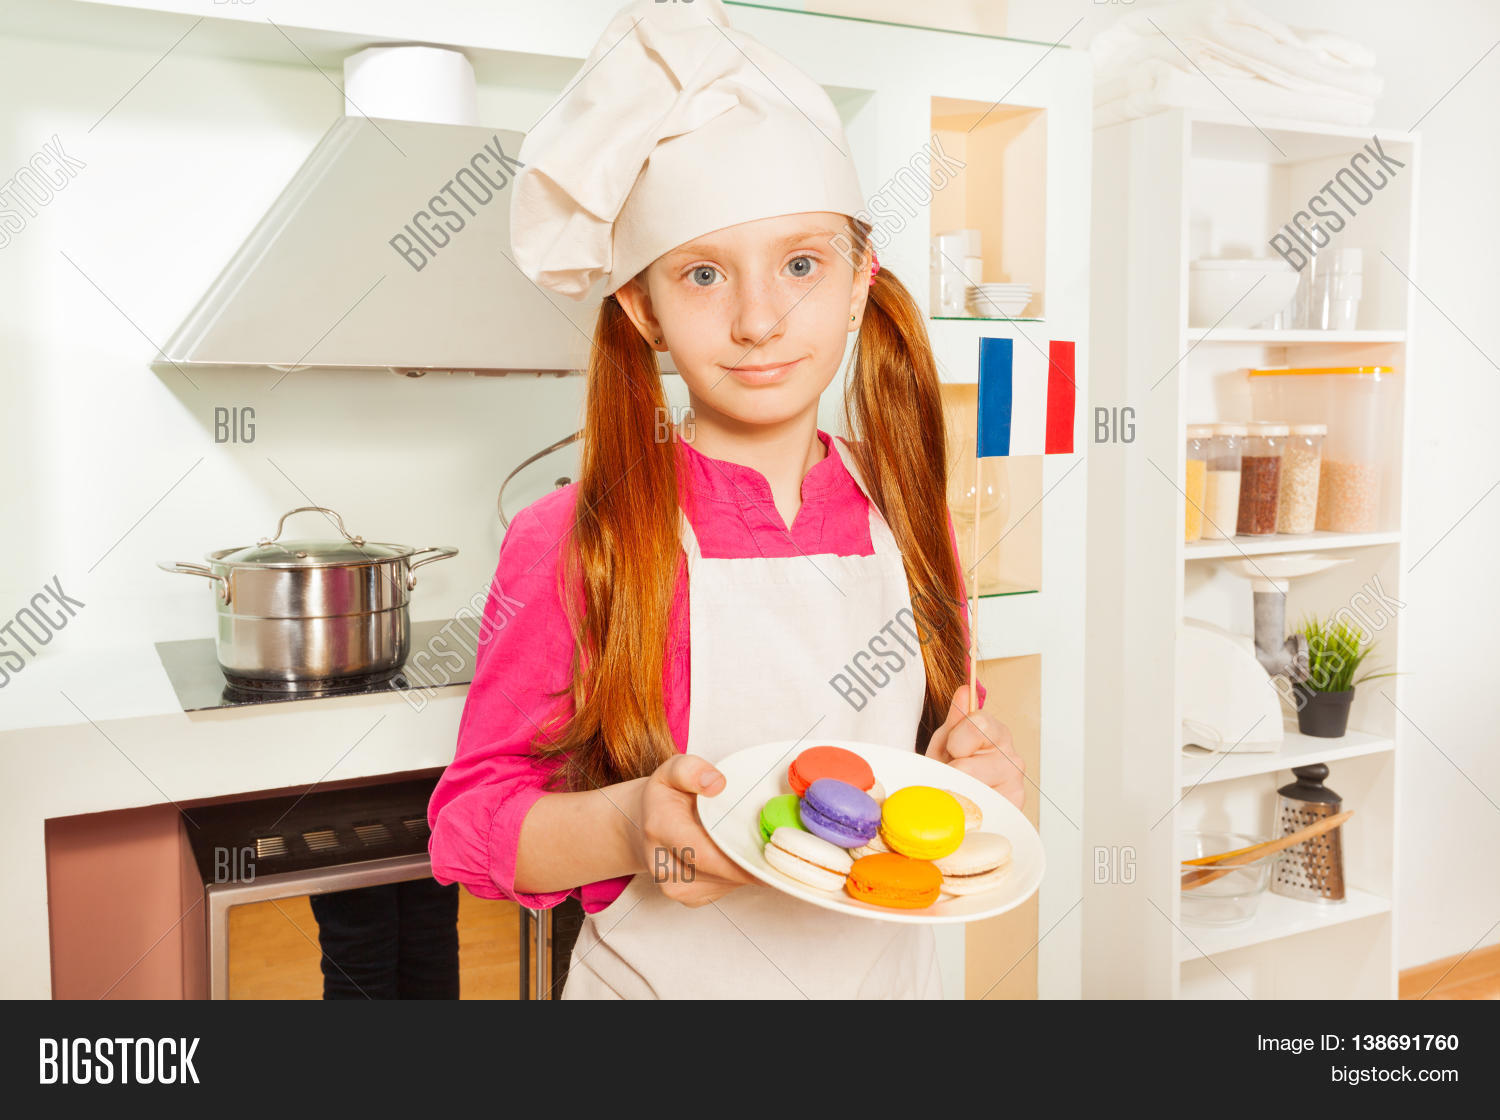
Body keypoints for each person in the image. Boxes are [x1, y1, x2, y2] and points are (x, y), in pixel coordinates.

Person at [428, 0, 1024, 999]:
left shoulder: (909, 508)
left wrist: (971, 776)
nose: (758, 318)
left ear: (857, 280)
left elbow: (924, 767)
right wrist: (627, 823)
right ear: (642, 308)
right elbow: (469, 826)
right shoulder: (576, 537)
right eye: (703, 273)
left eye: (801, 263)